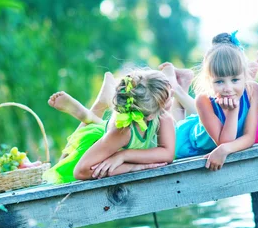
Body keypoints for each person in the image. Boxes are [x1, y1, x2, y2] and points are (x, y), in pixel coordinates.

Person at [43, 70, 176, 183]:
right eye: (169, 96)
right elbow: (80, 171)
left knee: (101, 126)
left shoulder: (163, 116)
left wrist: (124, 155)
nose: (173, 94)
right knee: (63, 164)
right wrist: (133, 167)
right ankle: (97, 107)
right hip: (99, 146)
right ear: (151, 115)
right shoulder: (123, 133)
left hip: (112, 141)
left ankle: (97, 108)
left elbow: (168, 154)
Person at [163, 32, 258, 171]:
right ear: (209, 81)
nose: (228, 88)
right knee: (177, 126)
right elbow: (225, 142)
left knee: (189, 118)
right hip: (189, 144)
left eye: (235, 80)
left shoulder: (252, 90)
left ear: (245, 75)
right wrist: (233, 112)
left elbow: (250, 137)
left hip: (206, 125)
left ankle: (179, 86)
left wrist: (224, 149)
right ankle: (175, 87)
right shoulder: (203, 100)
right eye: (219, 81)